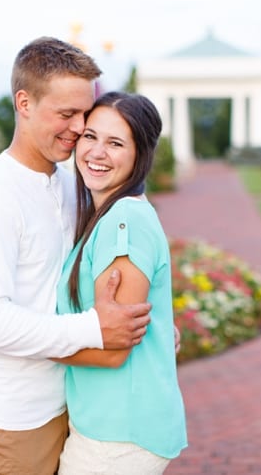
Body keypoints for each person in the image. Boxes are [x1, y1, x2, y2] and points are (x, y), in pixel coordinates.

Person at [0, 37, 153, 474]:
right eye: (66, 114)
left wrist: (146, 335)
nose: (79, 127)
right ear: (24, 103)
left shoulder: (67, 182)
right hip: (4, 421)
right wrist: (95, 328)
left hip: (60, 409)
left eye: (84, 113)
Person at [52, 91, 188, 474]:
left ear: (139, 154)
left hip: (118, 436)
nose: (96, 152)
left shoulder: (123, 220)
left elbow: (111, 348)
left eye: (115, 143)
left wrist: (20, 344)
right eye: (90, 136)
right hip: (107, 424)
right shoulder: (107, 214)